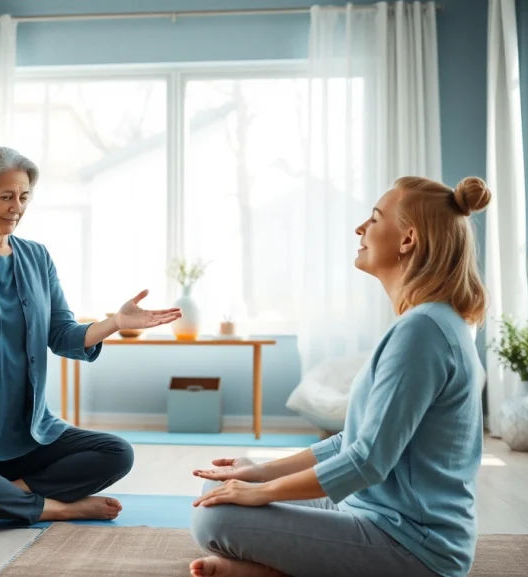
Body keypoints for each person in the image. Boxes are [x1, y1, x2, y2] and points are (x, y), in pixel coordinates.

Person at [188, 176, 492, 577]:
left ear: (407, 240)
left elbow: (366, 462)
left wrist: (261, 493)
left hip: (414, 547)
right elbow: (353, 441)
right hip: (369, 510)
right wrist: (259, 472)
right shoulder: (422, 322)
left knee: (215, 521)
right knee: (218, 492)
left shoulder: (424, 332)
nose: (360, 229)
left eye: (375, 219)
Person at [0, 145, 182, 527]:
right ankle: (54, 507)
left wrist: (115, 322)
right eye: (6, 196)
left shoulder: (37, 258)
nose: (17, 206)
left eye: (23, 196)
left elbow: (63, 334)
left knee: (117, 453)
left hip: (26, 436)